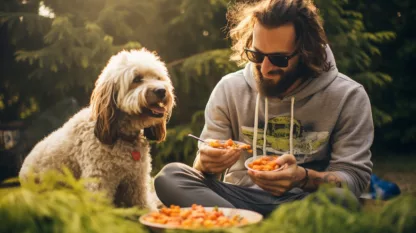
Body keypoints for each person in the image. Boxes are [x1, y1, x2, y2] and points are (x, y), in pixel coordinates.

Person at [154, 0, 373, 216]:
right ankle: (246, 224)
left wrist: (303, 178)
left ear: (307, 53)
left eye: (279, 59)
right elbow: (202, 170)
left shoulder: (347, 96)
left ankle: (235, 226)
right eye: (257, 55)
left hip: (302, 203)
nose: (265, 69)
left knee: (342, 200)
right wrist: (206, 162)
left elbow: (354, 179)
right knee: (170, 176)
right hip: (238, 198)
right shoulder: (230, 89)